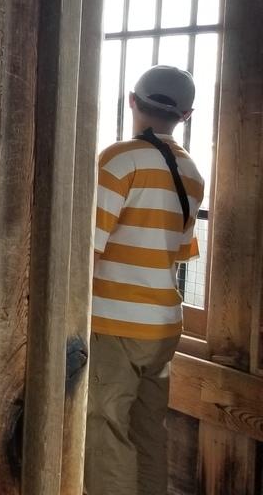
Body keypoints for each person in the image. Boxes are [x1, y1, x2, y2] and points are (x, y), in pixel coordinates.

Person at [85, 65, 203, 495]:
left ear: (132, 100)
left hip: (116, 323)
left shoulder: (120, 159)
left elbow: (87, 250)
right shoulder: (192, 173)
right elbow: (179, 251)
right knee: (148, 428)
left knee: (105, 429)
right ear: (186, 115)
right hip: (163, 325)